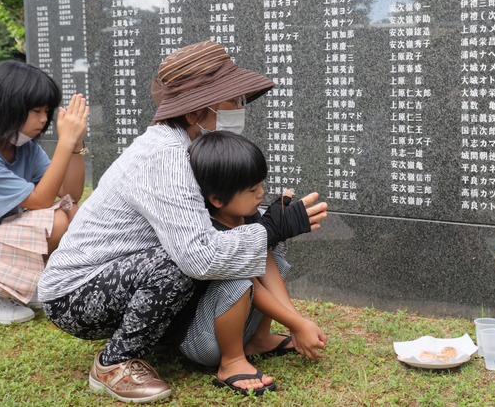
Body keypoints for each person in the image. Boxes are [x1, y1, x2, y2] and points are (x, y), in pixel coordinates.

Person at [39, 41, 328, 404]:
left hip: (123, 278)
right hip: (75, 293)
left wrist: (268, 230)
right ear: (194, 113)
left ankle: (249, 338)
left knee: (245, 232)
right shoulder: (165, 155)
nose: (240, 108)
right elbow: (197, 258)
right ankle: (114, 363)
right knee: (183, 260)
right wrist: (270, 229)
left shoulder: (193, 147)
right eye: (231, 100)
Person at [179, 131, 327, 396]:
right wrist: (297, 325)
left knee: (274, 261)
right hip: (201, 342)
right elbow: (253, 288)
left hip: (229, 328)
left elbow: (265, 265)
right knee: (237, 279)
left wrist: (296, 321)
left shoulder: (246, 217)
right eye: (251, 189)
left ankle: (258, 340)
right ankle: (232, 361)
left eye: (260, 184)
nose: (261, 192)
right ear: (216, 199)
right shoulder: (208, 231)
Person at [0, 61, 88, 324]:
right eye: (36, 110)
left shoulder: (23, 146)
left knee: (68, 210)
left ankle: (18, 285)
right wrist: (64, 141)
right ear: (7, 107)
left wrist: (76, 144)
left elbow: (70, 194)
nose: (44, 119)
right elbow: (40, 201)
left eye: (47, 111)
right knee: (56, 218)